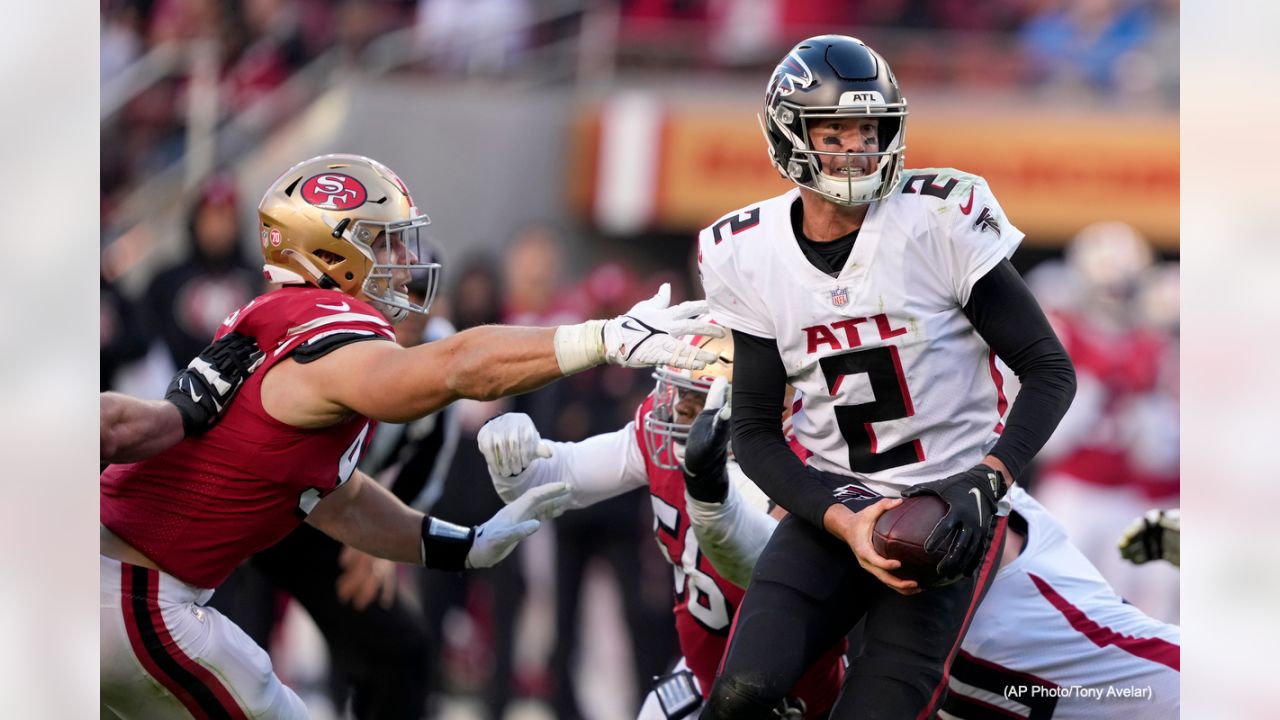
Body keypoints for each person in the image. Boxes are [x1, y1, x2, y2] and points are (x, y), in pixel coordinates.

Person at [100, 152, 724, 719]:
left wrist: (463, 546)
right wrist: (602, 340)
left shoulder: (284, 319)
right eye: (383, 242)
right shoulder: (329, 334)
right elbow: (454, 368)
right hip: (140, 595)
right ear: (330, 255)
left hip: (130, 584)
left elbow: (339, 500)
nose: (404, 260)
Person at [694, 36, 1077, 717]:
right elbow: (754, 432)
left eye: (868, 131)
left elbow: (1048, 370)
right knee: (739, 697)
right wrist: (844, 520)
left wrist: (986, 479)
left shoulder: (939, 218)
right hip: (831, 503)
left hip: (946, 513)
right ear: (789, 136)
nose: (856, 150)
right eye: (833, 133)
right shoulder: (745, 252)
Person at [663, 389, 1179, 720]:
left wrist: (714, 504)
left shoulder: (857, 440)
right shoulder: (710, 465)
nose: (684, 416)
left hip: (1029, 647)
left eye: (696, 399)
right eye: (680, 401)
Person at [477, 333, 845, 719]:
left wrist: (715, 498)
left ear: (762, 404)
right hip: (702, 675)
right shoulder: (669, 430)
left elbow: (768, 566)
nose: (679, 410)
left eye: (698, 398)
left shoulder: (809, 461)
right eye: (678, 392)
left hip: (798, 694)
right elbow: (561, 476)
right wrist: (517, 464)